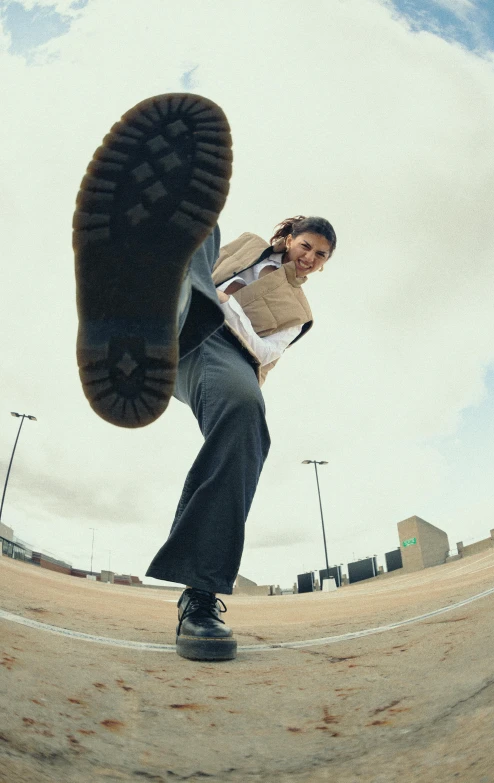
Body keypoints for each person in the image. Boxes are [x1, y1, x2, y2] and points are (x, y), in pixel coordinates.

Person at [73, 93, 337, 661]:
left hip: (222, 359)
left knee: (248, 416)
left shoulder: (302, 312)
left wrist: (223, 307)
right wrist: (205, 293)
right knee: (200, 230)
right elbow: (199, 260)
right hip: (171, 324)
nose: (311, 259)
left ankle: (201, 594)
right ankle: (130, 303)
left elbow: (265, 349)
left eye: (321, 258)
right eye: (308, 246)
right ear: (290, 237)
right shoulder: (240, 242)